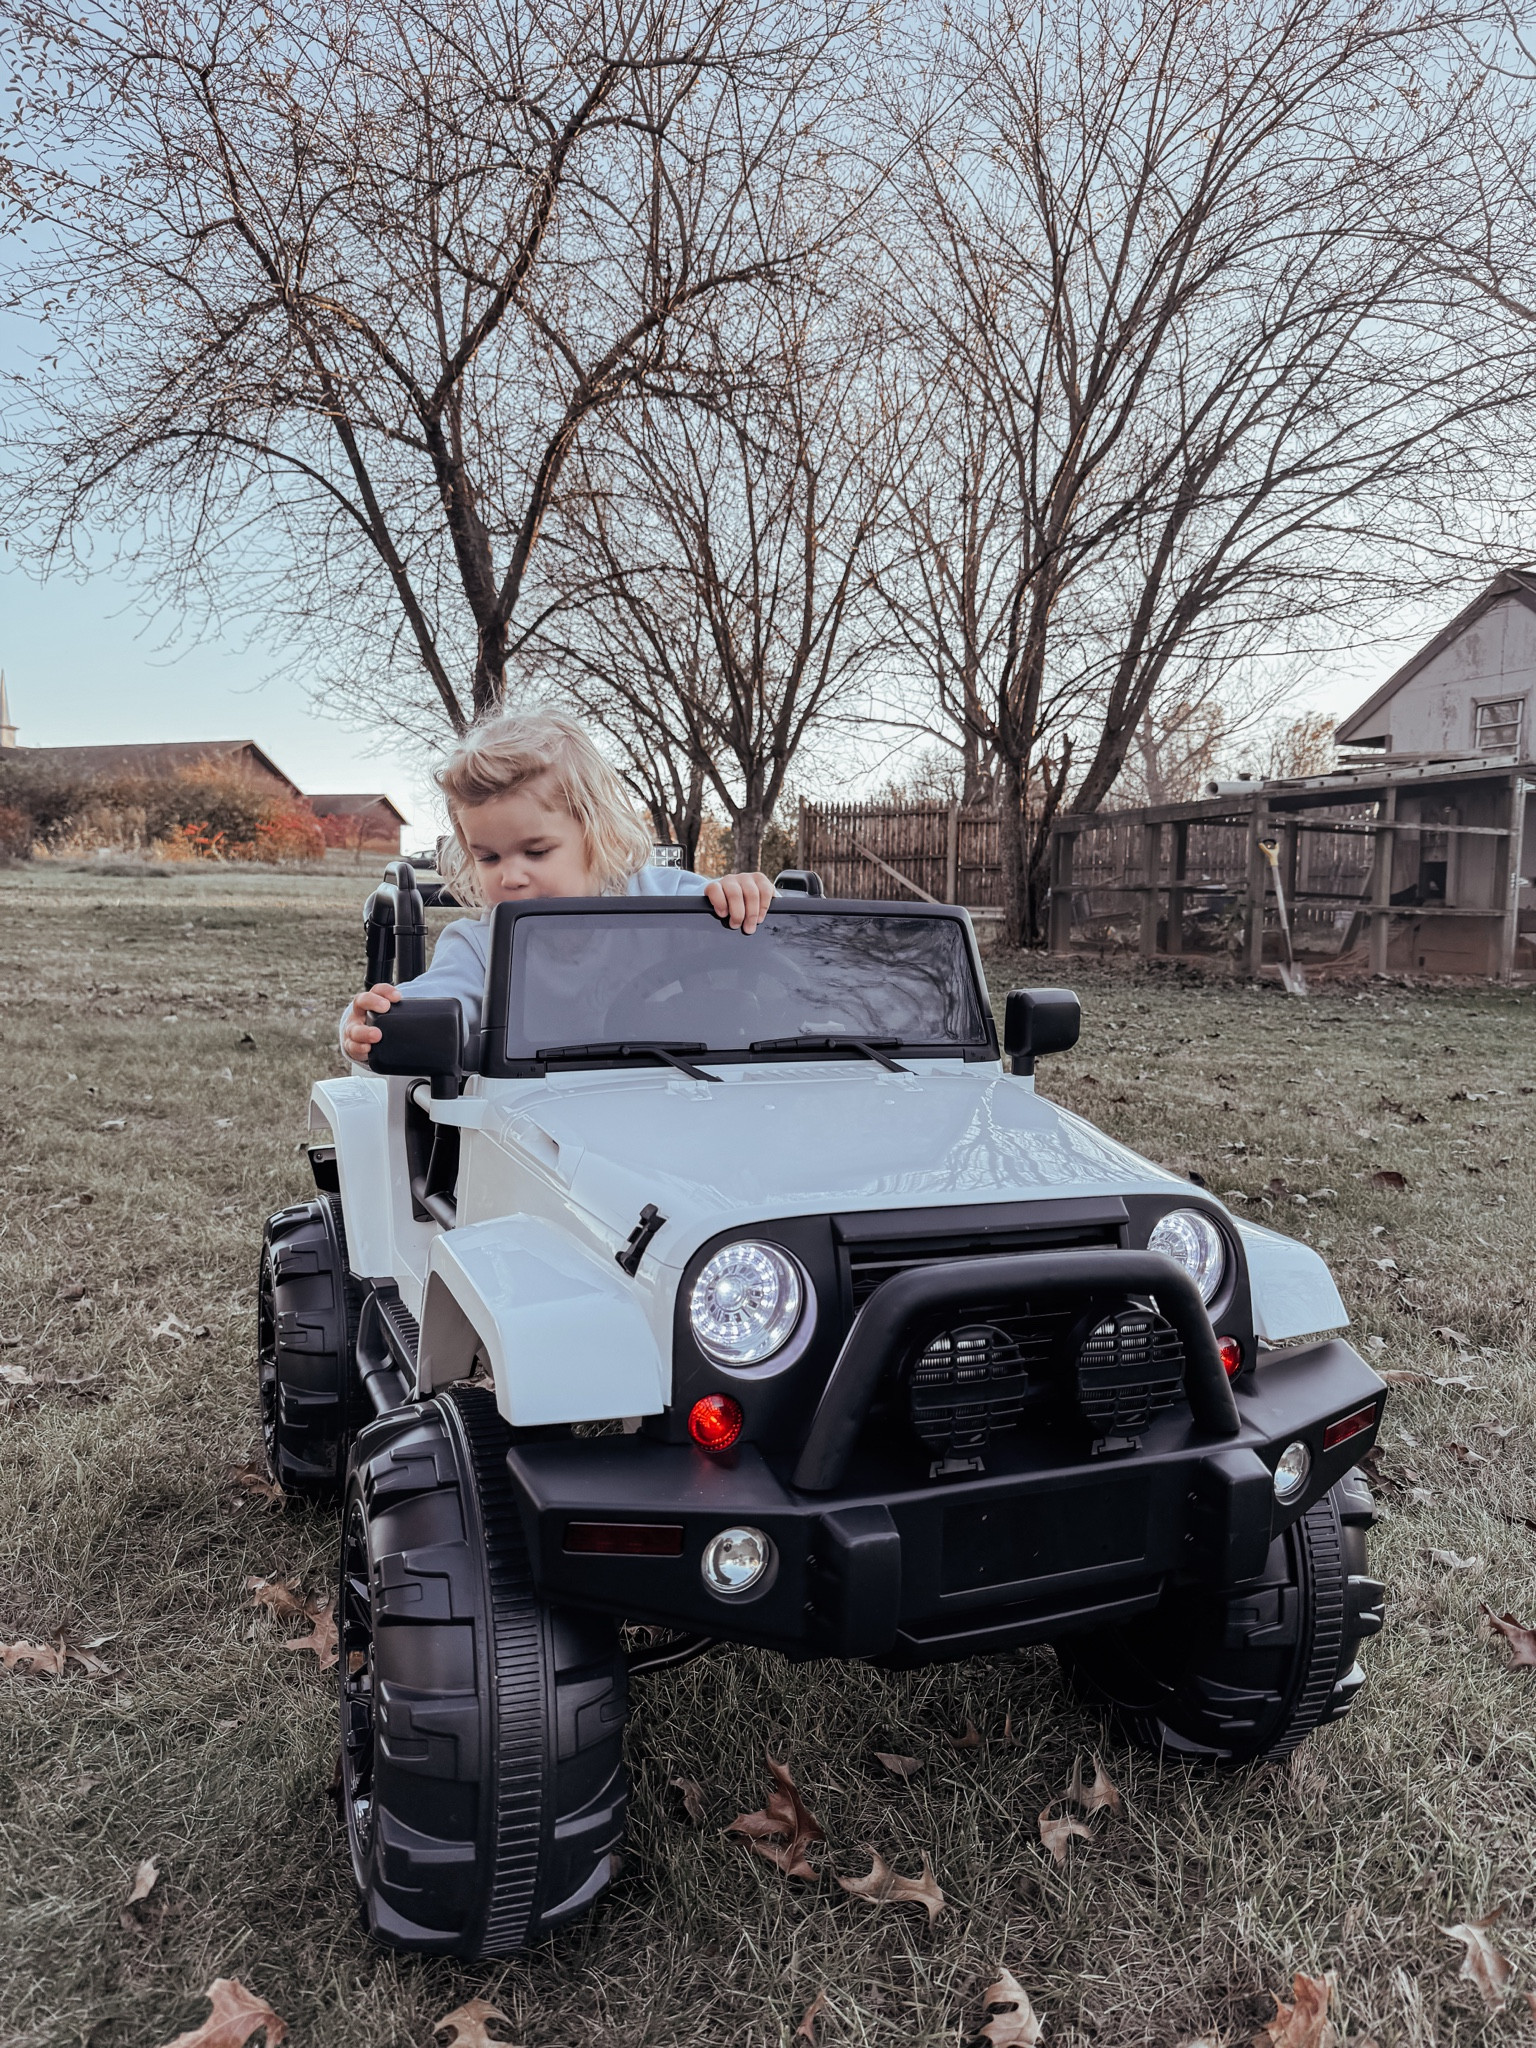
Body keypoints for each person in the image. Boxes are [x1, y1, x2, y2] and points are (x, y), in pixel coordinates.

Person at [341, 707, 774, 1062]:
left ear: (595, 832)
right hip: (531, 1124)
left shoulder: (664, 900)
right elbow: (433, 999)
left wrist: (743, 894)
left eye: (536, 852)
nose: (510, 877)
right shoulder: (481, 947)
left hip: (670, 1095)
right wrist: (373, 1021)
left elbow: (762, 942)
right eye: (488, 857)